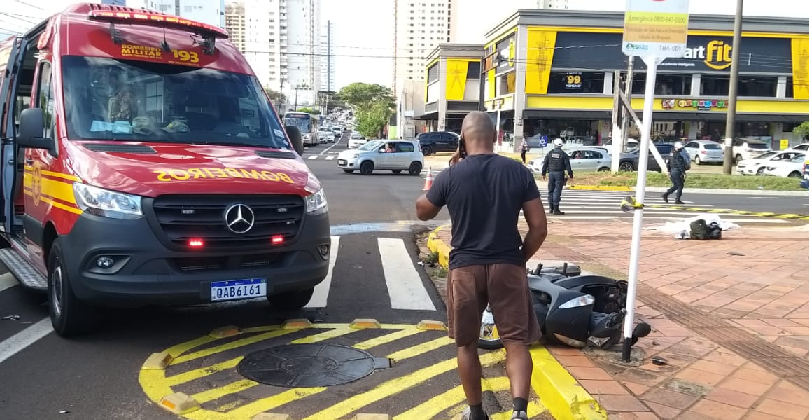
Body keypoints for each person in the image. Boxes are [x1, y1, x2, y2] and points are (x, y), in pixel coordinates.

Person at [415, 111, 548, 420]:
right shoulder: (518, 172)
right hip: (508, 265)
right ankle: (518, 413)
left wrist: (448, 176)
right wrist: (518, 259)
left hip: (465, 269)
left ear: (463, 139)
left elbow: (423, 212)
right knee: (516, 342)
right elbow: (539, 228)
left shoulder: (452, 174)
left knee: (467, 343)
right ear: (495, 137)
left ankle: (476, 412)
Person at [541, 138, 573, 216]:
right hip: (559, 174)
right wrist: (570, 174)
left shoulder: (550, 153)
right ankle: (556, 209)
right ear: (561, 145)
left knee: (551, 190)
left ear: (554, 145)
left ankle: (551, 208)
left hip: (551, 173)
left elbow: (545, 163)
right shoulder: (563, 154)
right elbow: (568, 165)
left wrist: (543, 173)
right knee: (557, 191)